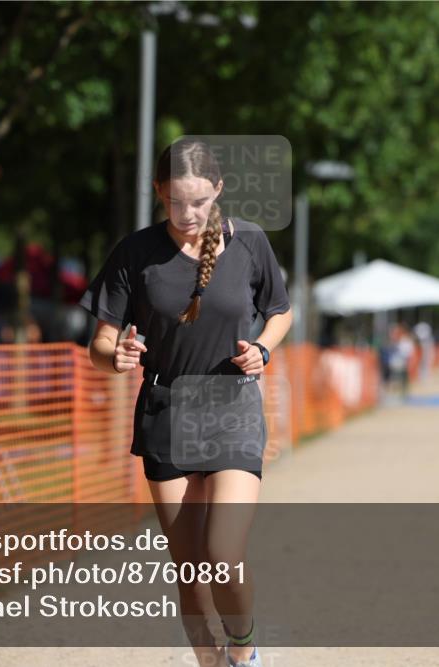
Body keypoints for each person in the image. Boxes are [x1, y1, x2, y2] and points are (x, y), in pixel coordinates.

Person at [78, 139, 293, 667]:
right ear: (158, 193)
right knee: (191, 572)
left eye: (198, 201)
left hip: (232, 408)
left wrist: (262, 349)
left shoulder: (250, 243)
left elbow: (281, 311)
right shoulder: (135, 252)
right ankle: (210, 662)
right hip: (168, 411)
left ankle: (245, 651)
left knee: (221, 557)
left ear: (217, 190)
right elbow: (99, 345)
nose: (188, 213)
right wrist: (118, 357)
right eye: (176, 202)